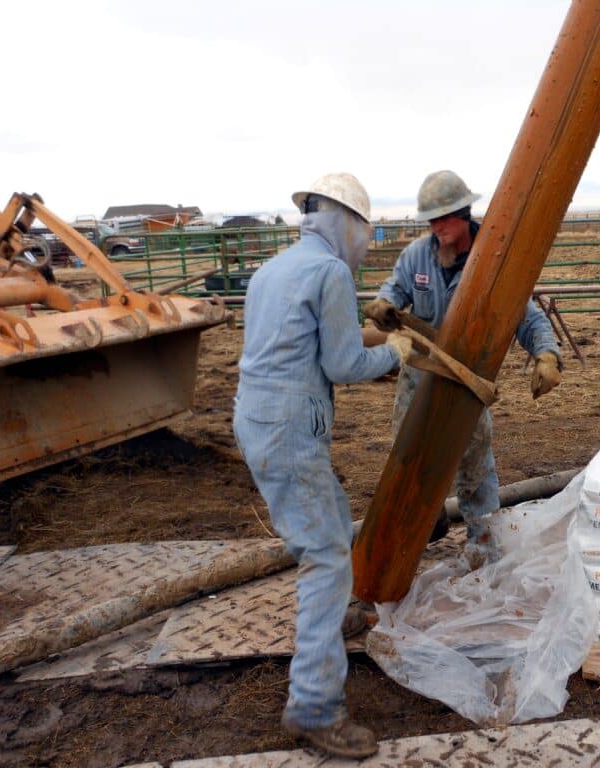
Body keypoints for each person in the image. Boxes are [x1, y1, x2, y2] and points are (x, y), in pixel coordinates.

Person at [233, 173, 410, 759]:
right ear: (347, 223)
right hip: (290, 429)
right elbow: (339, 364)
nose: (366, 241)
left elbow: (301, 343)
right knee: (326, 558)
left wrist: (371, 341)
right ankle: (313, 705)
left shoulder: (273, 269)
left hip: (255, 419)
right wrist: (393, 354)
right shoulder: (331, 272)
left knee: (328, 512)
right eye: (366, 229)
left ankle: (333, 623)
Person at [363, 170, 562, 564]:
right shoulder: (418, 255)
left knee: (473, 466)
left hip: (465, 382)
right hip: (419, 375)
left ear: (464, 213)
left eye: (443, 219)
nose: (436, 228)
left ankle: (485, 546)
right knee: (409, 458)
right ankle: (422, 526)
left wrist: (547, 354)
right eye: (431, 220)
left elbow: (528, 316)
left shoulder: (492, 263)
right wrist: (383, 303)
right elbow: (396, 288)